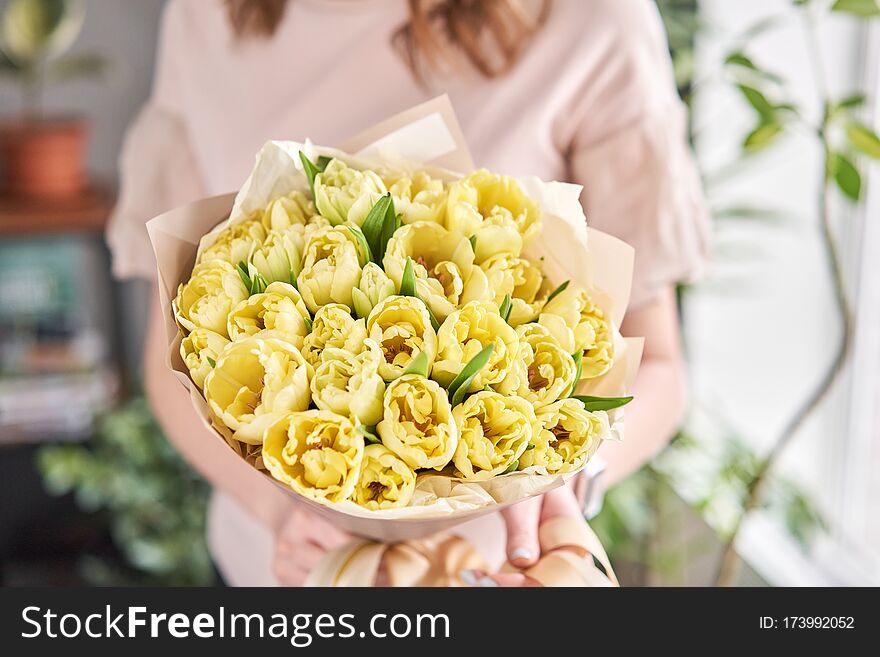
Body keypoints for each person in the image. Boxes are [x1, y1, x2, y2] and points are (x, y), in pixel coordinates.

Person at [107, 0, 708, 587]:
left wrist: (568, 483)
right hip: (272, 567)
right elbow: (170, 362)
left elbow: (656, 363)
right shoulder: (206, 15)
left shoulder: (592, 18)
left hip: (492, 575)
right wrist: (282, 516)